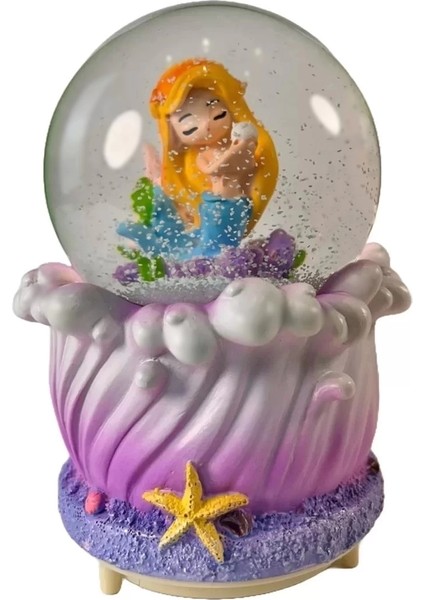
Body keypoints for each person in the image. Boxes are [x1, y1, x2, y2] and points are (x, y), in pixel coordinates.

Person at [117, 58, 278, 259]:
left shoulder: (240, 143)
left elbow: (248, 165)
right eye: (190, 125)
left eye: (217, 113)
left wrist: (242, 148)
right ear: (174, 134)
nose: (206, 125)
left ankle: (187, 254)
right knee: (211, 248)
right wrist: (235, 151)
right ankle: (165, 243)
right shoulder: (202, 156)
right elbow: (213, 170)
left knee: (219, 247)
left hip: (236, 206)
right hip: (215, 205)